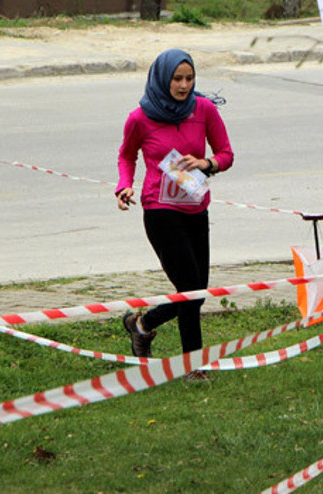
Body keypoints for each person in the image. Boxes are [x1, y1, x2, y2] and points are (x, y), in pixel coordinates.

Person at [115, 49, 234, 381]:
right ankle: (193, 367)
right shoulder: (140, 118)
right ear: (161, 79)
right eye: (177, 79)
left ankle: (141, 324)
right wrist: (124, 186)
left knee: (197, 291)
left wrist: (206, 163)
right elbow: (126, 156)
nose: (184, 85)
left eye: (189, 78)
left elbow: (226, 154)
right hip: (160, 210)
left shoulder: (204, 109)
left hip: (196, 206)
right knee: (190, 289)